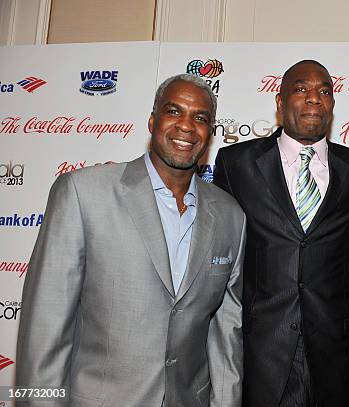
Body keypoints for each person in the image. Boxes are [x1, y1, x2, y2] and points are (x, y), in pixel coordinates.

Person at [16, 74, 246, 407]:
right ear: (153, 121)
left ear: (210, 133)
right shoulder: (83, 193)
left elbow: (226, 338)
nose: (186, 126)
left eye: (200, 118)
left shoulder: (230, 216)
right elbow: (45, 329)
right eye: (174, 111)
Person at [214, 60, 349, 407]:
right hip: (260, 354)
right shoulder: (236, 163)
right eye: (301, 89)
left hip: (337, 355)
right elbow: (219, 253)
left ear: (332, 104)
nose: (313, 98)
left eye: (324, 91)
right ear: (280, 102)